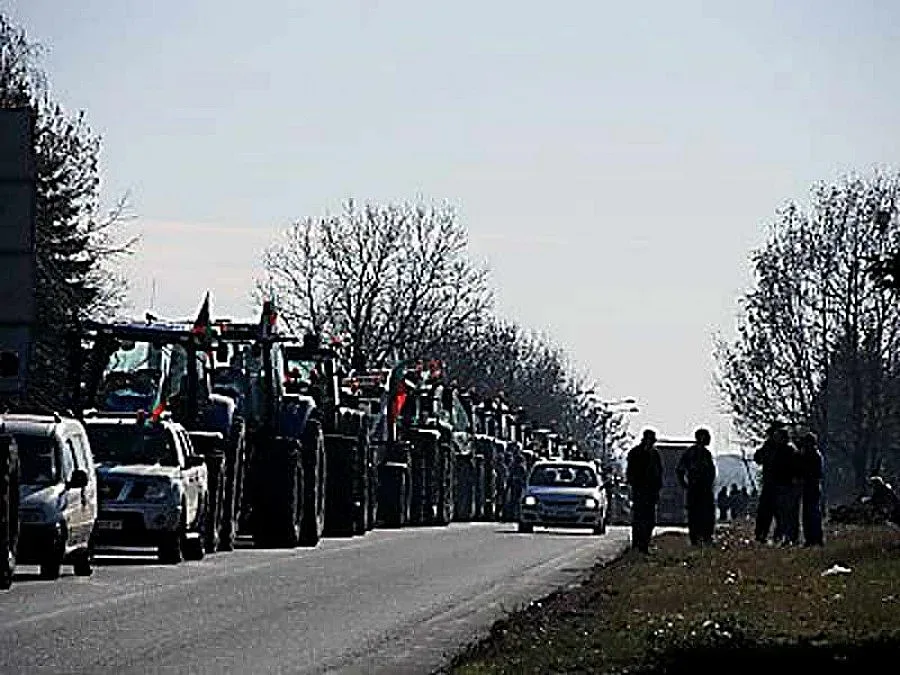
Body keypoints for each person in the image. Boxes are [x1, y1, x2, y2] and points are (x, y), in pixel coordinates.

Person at [676, 428, 717, 545]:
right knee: (695, 514)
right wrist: (685, 484)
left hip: (705, 489)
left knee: (707, 514)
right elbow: (680, 469)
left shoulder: (706, 454)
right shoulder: (691, 453)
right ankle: (696, 538)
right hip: (696, 489)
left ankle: (706, 536)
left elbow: (711, 472)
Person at [626, 429, 663, 554]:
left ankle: (645, 544)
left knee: (650, 520)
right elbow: (630, 472)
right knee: (638, 519)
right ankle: (637, 545)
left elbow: (659, 473)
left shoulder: (655, 454)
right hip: (640, 491)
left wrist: (657, 489)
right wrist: (635, 485)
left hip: (651, 492)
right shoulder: (635, 453)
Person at [770, 427, 803, 545]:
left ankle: (791, 537)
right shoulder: (780, 450)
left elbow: (796, 468)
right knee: (782, 513)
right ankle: (784, 535)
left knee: (789, 513)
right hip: (781, 485)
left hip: (788, 485)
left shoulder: (789, 450)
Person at [753, 423, 783, 543]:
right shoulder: (768, 447)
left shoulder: (784, 448)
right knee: (765, 512)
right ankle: (761, 535)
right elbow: (758, 458)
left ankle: (778, 535)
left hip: (780, 484)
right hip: (769, 483)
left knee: (780, 513)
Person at [798, 432, 824, 546]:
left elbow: (814, 472)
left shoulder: (813, 455)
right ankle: (811, 538)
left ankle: (814, 538)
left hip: (812, 486)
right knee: (809, 513)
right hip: (811, 486)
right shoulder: (813, 454)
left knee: (812, 513)